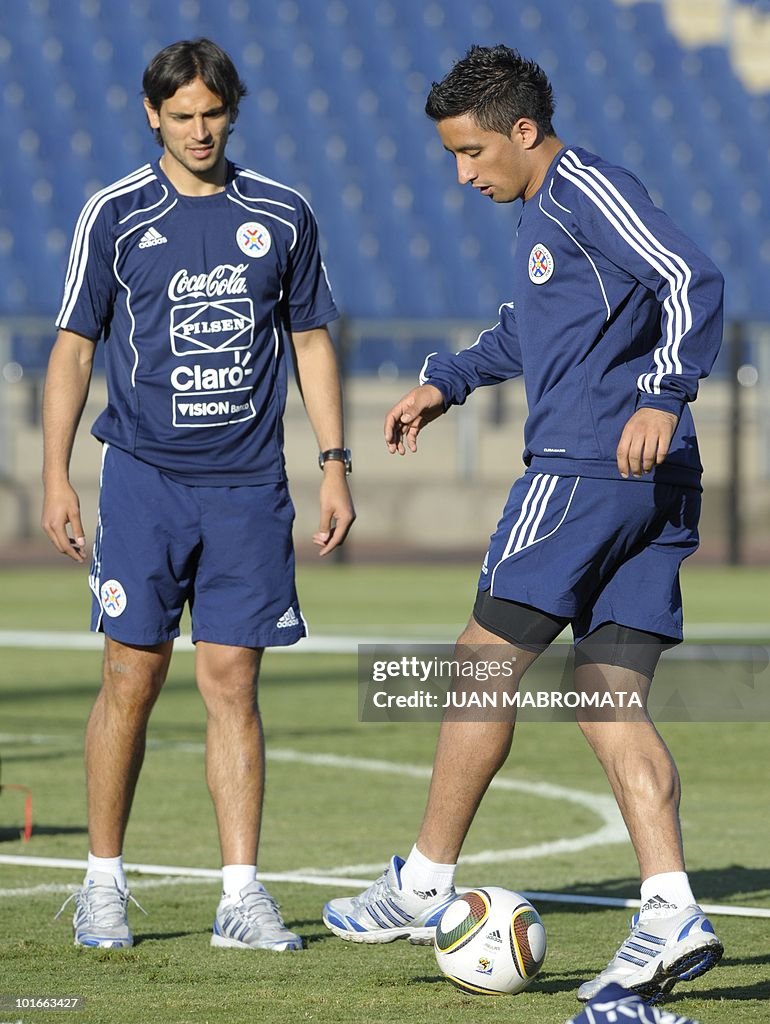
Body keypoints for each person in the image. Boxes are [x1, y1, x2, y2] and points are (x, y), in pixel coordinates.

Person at [322, 44, 723, 1004]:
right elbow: (529, 332)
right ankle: (670, 909)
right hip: (645, 485)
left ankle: (423, 882)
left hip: (587, 471)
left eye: (471, 153)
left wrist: (663, 393)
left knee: (478, 663)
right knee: (607, 700)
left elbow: (693, 279)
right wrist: (446, 383)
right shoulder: (547, 216)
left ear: (524, 132)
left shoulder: (586, 189)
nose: (464, 175)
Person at [42, 37, 354, 951]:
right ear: (153, 116)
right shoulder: (114, 215)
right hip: (143, 483)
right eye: (180, 116)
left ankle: (241, 896)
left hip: (250, 491)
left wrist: (335, 462)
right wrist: (53, 471)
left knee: (233, 684)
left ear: (232, 111)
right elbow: (73, 347)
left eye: (212, 113)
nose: (198, 130)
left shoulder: (283, 215)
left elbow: (311, 343)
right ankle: (103, 885)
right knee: (129, 679)